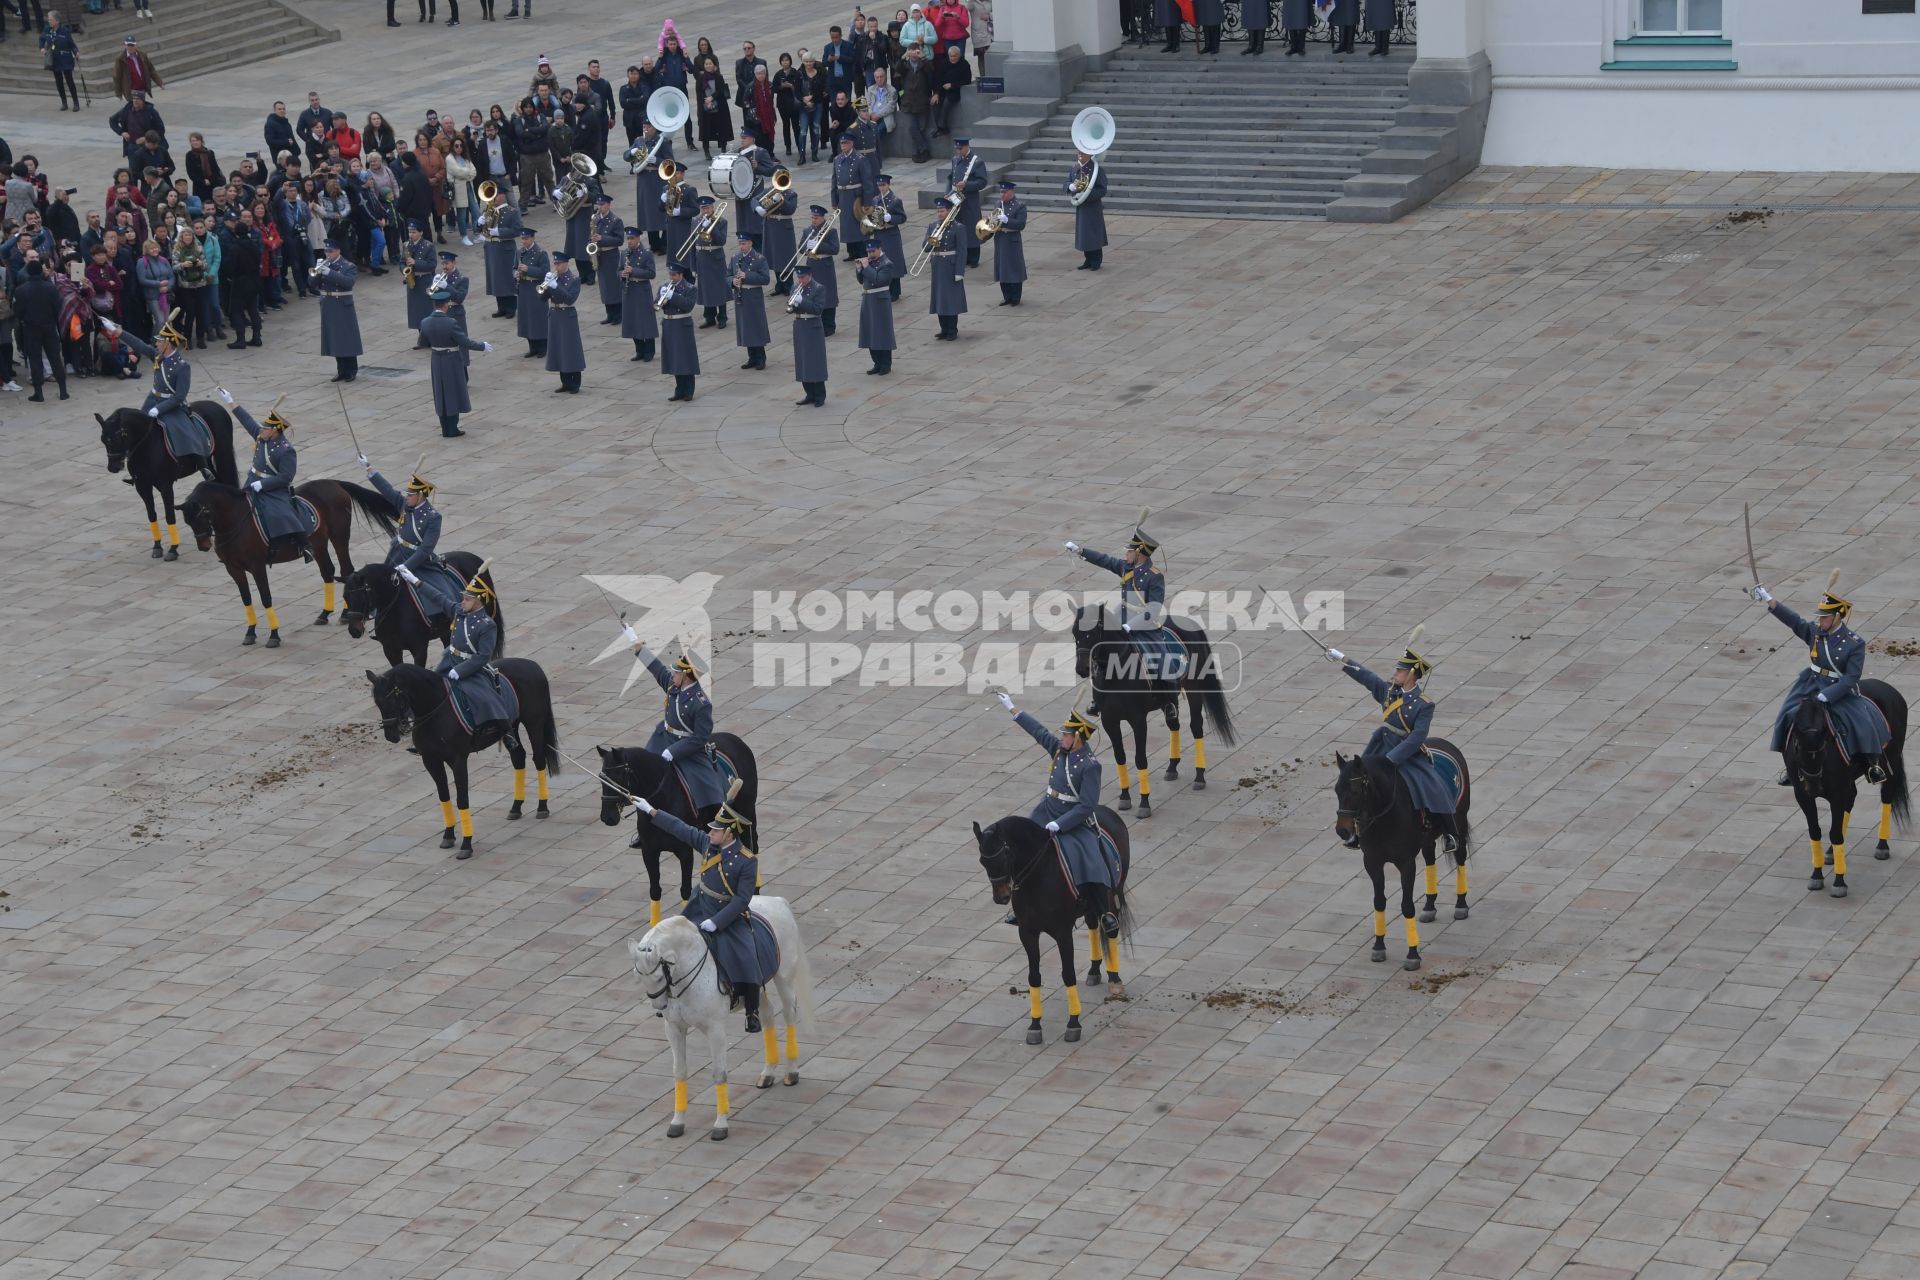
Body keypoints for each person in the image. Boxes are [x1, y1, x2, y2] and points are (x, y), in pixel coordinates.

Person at [627, 799, 770, 1030]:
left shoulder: (747, 861)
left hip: (728, 914)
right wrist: (651, 810)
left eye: (716, 830)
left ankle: (751, 1011)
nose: (710, 832)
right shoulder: (707, 845)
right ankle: (668, 997)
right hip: (700, 906)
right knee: (671, 944)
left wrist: (717, 922)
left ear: (729, 834)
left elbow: (743, 899)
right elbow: (680, 828)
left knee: (747, 955)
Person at [995, 694, 1116, 935]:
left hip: (1073, 817)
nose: (1062, 738)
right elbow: (1039, 732)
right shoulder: (1061, 751)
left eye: (1067, 735)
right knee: (1021, 847)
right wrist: (1014, 710)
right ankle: (1020, 903)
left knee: (1089, 857)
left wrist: (1060, 825)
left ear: (1078, 738)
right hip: (1047, 809)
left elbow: (1087, 806)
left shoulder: (1090, 766)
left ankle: (1104, 912)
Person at [1751, 578, 1890, 786]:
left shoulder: (1854, 643)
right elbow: (1794, 621)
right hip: (1810, 683)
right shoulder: (1816, 633)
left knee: (1862, 721)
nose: (1820, 621)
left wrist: (1829, 694)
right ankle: (1791, 765)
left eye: (1824, 617)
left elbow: (1851, 677)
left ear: (1837, 617)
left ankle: (1872, 765)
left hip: (1838, 688)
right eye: (1819, 617)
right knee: (1786, 714)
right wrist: (1769, 600)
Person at [1326, 639, 1459, 847]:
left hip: (1406, 752)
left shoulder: (1424, 704)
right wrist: (1341, 658)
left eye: (1400, 670)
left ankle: (1451, 833)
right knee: (1356, 782)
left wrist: (1392, 759)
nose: (1396, 673)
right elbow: (1367, 677)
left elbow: (1417, 736)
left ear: (1411, 675)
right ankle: (1356, 833)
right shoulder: (1389, 692)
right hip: (1381, 745)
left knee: (1432, 784)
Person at [1065, 522, 1185, 714]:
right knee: (1098, 648)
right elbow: (1104, 560)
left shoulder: (1155, 577)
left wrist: (1131, 626)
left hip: (1145, 624)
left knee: (1160, 659)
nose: (1125, 554)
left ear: (1139, 553)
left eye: (1129, 551)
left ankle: (1169, 702)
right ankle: (1098, 698)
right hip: (1120, 616)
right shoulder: (1126, 568)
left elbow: (1153, 609)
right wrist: (1081, 551)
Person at [223, 394, 313, 562]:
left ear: (275, 431)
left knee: (282, 514)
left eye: (265, 428)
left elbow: (285, 477)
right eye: (263, 427)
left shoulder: (286, 450)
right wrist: (231, 402)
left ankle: (305, 545)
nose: (261, 429)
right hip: (252, 481)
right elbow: (247, 421)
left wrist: (263, 484)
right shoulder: (261, 437)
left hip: (273, 488)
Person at [364, 463, 459, 620]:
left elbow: (425, 550)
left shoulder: (433, 517)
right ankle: (375, 610)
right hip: (398, 551)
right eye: (407, 494)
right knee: (381, 581)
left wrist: (406, 567)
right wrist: (370, 470)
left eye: (410, 495)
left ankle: (437, 618)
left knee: (440, 591)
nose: (406, 497)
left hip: (419, 560)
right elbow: (388, 491)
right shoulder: (405, 505)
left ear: (420, 496)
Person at [437, 576, 511, 746]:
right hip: (450, 661)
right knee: (429, 686)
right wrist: (417, 582)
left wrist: (460, 671)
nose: (463, 601)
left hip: (471, 667)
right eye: (463, 598)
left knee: (485, 698)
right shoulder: (459, 612)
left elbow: (483, 656)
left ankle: (506, 731)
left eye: (467, 599)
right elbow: (439, 598)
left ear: (478, 602)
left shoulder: (487, 625)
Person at [13, 260, 68, 402]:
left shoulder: (21, 290)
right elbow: (58, 305)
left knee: (35, 359)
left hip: (31, 328)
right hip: (49, 326)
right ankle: (63, 391)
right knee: (55, 358)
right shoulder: (50, 287)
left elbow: (18, 311)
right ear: (41, 271)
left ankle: (39, 393)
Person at [313, 239, 362, 382]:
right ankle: (341, 370)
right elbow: (312, 284)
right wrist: (317, 273)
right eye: (326, 251)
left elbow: (348, 283)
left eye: (331, 251)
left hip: (342, 304)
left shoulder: (348, 266)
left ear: (338, 251)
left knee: (347, 338)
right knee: (334, 339)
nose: (328, 254)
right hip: (328, 304)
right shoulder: (324, 265)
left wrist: (329, 273)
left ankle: (351, 370)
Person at [786, 262, 828, 407]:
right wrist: (794, 305)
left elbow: (818, 309)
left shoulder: (818, 288)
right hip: (800, 326)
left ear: (810, 276)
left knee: (815, 361)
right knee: (803, 360)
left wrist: (802, 301)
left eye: (803, 277)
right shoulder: (796, 287)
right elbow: (790, 308)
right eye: (799, 277)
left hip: (813, 326)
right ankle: (809, 394)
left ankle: (820, 395)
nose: (800, 280)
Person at [728, 230, 771, 371]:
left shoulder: (759, 258)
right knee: (745, 327)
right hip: (740, 295)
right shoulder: (735, 257)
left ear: (751, 243)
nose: (742, 246)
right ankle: (751, 357)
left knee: (756, 326)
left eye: (744, 243)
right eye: (740, 244)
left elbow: (765, 279)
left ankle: (761, 357)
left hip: (753, 295)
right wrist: (732, 281)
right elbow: (727, 275)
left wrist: (747, 275)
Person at [542, 252, 584, 393]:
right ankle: (565, 382)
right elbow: (541, 298)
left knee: (571, 349)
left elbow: (570, 299)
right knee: (558, 349)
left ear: (566, 264)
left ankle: (575, 383)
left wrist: (556, 287)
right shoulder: (554, 278)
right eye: (555, 264)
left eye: (559, 264)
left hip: (567, 316)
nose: (556, 266)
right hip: (555, 315)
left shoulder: (574, 280)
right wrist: (545, 286)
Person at [925, 197, 966, 340]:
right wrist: (933, 238)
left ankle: (952, 330)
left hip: (950, 265)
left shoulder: (958, 227)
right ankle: (943, 329)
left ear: (949, 211)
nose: (939, 214)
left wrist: (959, 271)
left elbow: (962, 251)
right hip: (937, 266)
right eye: (938, 211)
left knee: (951, 299)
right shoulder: (933, 226)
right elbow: (925, 247)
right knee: (939, 299)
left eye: (942, 211)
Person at [797, 204, 840, 336]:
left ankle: (829, 325)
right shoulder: (807, 230)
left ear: (822, 218)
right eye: (812, 217)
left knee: (828, 295)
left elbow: (835, 249)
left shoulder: (830, 231)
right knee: (814, 294)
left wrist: (819, 244)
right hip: (812, 265)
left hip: (825, 265)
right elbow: (801, 248)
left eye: (816, 217)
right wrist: (806, 246)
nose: (814, 220)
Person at [831, 133, 875, 262]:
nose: (843, 146)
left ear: (851, 144)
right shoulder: (837, 159)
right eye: (841, 143)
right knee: (846, 225)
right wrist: (834, 200)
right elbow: (834, 181)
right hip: (843, 196)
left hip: (856, 197)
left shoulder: (860, 159)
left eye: (845, 143)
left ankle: (862, 251)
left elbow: (867, 182)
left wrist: (867, 202)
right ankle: (852, 251)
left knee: (858, 224)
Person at [659, 261, 699, 401]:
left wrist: (672, 296)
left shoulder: (689, 288)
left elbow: (687, 306)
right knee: (675, 359)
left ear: (681, 275)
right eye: (670, 274)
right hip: (669, 324)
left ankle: (689, 390)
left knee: (685, 358)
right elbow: (655, 303)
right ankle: (679, 390)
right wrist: (661, 301)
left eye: (674, 275)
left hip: (682, 325)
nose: (672, 278)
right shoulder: (665, 286)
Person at [855, 242, 896, 376]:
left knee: (882, 332)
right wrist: (859, 269)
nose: (870, 254)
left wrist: (866, 267)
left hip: (880, 300)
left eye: (873, 251)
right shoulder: (870, 262)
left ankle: (885, 364)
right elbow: (862, 281)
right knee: (870, 332)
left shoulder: (887, 263)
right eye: (869, 252)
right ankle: (877, 363)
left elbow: (879, 280)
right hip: (868, 300)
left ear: (879, 249)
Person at [633, 118, 672, 255]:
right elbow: (626, 155)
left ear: (654, 128)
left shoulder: (663, 142)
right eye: (644, 126)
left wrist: (657, 161)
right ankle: (654, 244)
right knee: (648, 213)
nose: (645, 129)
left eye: (648, 127)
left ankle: (665, 245)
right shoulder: (639, 141)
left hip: (658, 178)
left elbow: (670, 162)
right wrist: (631, 153)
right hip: (644, 179)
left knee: (661, 213)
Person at [618, 226, 658, 362]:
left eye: (632, 238)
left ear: (638, 238)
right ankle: (639, 350)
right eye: (628, 238)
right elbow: (618, 270)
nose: (629, 241)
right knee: (632, 321)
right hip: (629, 290)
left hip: (642, 289)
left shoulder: (646, 253)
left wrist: (634, 271)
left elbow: (651, 273)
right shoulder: (624, 253)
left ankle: (650, 350)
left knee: (645, 321)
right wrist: (622, 274)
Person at [690, 196, 730, 329]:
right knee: (705, 288)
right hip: (701, 257)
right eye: (703, 208)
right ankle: (709, 317)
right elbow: (691, 245)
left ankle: (722, 317)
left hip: (715, 257)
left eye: (707, 207)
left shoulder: (721, 221)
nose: (705, 210)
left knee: (719, 288)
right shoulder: (696, 221)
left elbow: (721, 241)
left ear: (713, 207)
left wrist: (711, 228)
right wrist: (693, 266)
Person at [948, 137, 988, 268]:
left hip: (970, 199)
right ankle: (963, 256)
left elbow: (982, 182)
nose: (959, 151)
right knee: (959, 228)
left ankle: (974, 258)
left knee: (971, 228)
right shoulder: (955, 160)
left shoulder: (976, 162)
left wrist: (967, 185)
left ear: (967, 147)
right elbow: (951, 177)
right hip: (957, 199)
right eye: (957, 149)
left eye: (961, 148)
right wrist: (947, 192)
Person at [867, 173, 907, 302]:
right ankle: (884, 288)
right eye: (879, 185)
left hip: (891, 235)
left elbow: (902, 217)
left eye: (883, 185)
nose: (881, 188)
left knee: (893, 262)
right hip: (880, 234)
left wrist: (891, 218)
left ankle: (895, 292)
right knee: (881, 261)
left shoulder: (895, 200)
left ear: (888, 185)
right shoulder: (875, 199)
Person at [1067, 149, 1106, 270]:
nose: (1080, 155)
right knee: (1084, 234)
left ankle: (1096, 260)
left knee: (1093, 234)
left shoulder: (1097, 169)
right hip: (1081, 206)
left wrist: (1086, 194)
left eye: (1082, 154)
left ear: (1089, 155)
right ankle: (1088, 259)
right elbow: (1067, 181)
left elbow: (1102, 189)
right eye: (1079, 153)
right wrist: (1070, 186)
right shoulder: (1076, 167)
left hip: (1092, 206)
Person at [513, 225, 550, 357]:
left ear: (533, 238)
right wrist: (515, 273)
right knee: (526, 319)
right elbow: (514, 267)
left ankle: (542, 348)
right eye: (522, 238)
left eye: (526, 238)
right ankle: (532, 347)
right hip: (523, 288)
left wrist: (529, 269)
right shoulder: (519, 252)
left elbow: (545, 273)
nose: (523, 241)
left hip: (535, 289)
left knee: (538, 319)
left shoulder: (541, 253)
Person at [989, 180, 1026, 306]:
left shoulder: (1019, 206)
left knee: (1014, 269)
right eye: (1001, 192)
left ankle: (1015, 297)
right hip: (1000, 240)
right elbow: (993, 223)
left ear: (1011, 192)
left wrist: (1007, 220)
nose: (1002, 195)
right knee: (1002, 269)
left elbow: (1021, 224)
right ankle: (1007, 296)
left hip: (1012, 240)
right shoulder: (998, 204)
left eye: (1005, 192)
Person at [896, 43, 933, 164]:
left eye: (916, 52)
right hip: (908, 102)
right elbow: (897, 70)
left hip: (922, 101)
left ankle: (918, 152)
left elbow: (931, 72)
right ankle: (924, 150)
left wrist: (923, 57)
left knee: (921, 128)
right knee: (912, 128)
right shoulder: (905, 65)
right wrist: (903, 56)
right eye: (912, 51)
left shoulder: (924, 64)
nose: (914, 55)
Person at [591, 194, 624, 323]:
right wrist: (591, 242)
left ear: (608, 205)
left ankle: (618, 315)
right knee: (604, 287)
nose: (600, 207)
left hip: (611, 256)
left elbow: (619, 240)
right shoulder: (595, 218)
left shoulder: (615, 220)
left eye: (602, 205)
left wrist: (602, 238)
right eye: (598, 204)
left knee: (614, 286)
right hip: (600, 256)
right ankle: (609, 314)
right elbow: (591, 234)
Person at [402, 221, 436, 345]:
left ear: (421, 232)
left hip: (425, 281)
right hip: (412, 281)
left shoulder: (428, 246)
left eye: (414, 232)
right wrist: (404, 271)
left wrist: (416, 263)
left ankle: (430, 338)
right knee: (415, 312)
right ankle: (422, 337)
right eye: (410, 232)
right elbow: (401, 262)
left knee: (427, 310)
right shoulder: (406, 245)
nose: (411, 235)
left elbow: (432, 264)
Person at [931, 42, 972, 140]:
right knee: (935, 103)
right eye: (951, 56)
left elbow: (967, 80)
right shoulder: (943, 63)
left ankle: (942, 127)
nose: (953, 58)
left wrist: (952, 85)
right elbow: (937, 79)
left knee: (946, 103)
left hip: (955, 91)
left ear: (959, 55)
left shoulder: (964, 64)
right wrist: (936, 93)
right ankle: (939, 127)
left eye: (955, 56)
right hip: (942, 90)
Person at [664, 162, 698, 278]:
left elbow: (695, 210)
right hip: (671, 227)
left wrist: (680, 212)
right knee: (673, 255)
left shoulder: (689, 190)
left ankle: (688, 279)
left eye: (677, 173)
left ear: (682, 174)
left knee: (685, 257)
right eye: (672, 174)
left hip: (684, 228)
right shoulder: (666, 188)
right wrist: (662, 199)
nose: (674, 176)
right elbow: (660, 208)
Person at [39, 14, 78, 112]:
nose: (49, 21)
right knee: (59, 81)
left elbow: (71, 43)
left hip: (65, 58)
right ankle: (64, 103)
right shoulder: (47, 29)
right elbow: (42, 38)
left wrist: (76, 52)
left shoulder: (65, 30)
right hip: (54, 59)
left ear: (57, 21)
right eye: (48, 19)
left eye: (51, 20)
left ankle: (76, 103)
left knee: (69, 81)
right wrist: (42, 47)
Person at [112, 36, 164, 102]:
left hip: (142, 88)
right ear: (125, 45)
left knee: (141, 108)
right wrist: (118, 93)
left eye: (132, 45)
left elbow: (151, 70)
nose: (130, 47)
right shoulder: (120, 59)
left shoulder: (142, 55)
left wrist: (159, 83)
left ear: (136, 45)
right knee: (137, 109)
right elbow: (116, 76)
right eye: (128, 45)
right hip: (131, 91)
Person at [970, 0, 993, 76]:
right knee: (981, 56)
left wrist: (989, 16)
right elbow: (968, 8)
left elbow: (997, 12)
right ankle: (983, 78)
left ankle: (991, 76)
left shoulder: (990, 2)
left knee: (991, 56)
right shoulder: (972, 2)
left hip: (990, 32)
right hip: (978, 33)